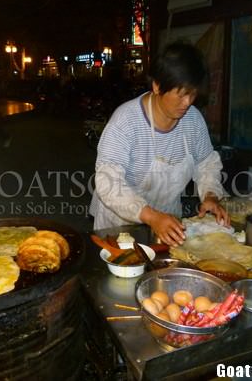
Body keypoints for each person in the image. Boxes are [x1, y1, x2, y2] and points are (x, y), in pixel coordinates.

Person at [90, 42, 230, 246]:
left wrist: (210, 195)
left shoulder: (193, 121)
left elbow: (206, 164)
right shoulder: (126, 121)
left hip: (168, 224)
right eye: (181, 94)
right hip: (119, 226)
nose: (188, 102)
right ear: (157, 85)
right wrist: (151, 217)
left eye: (192, 94)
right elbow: (108, 183)